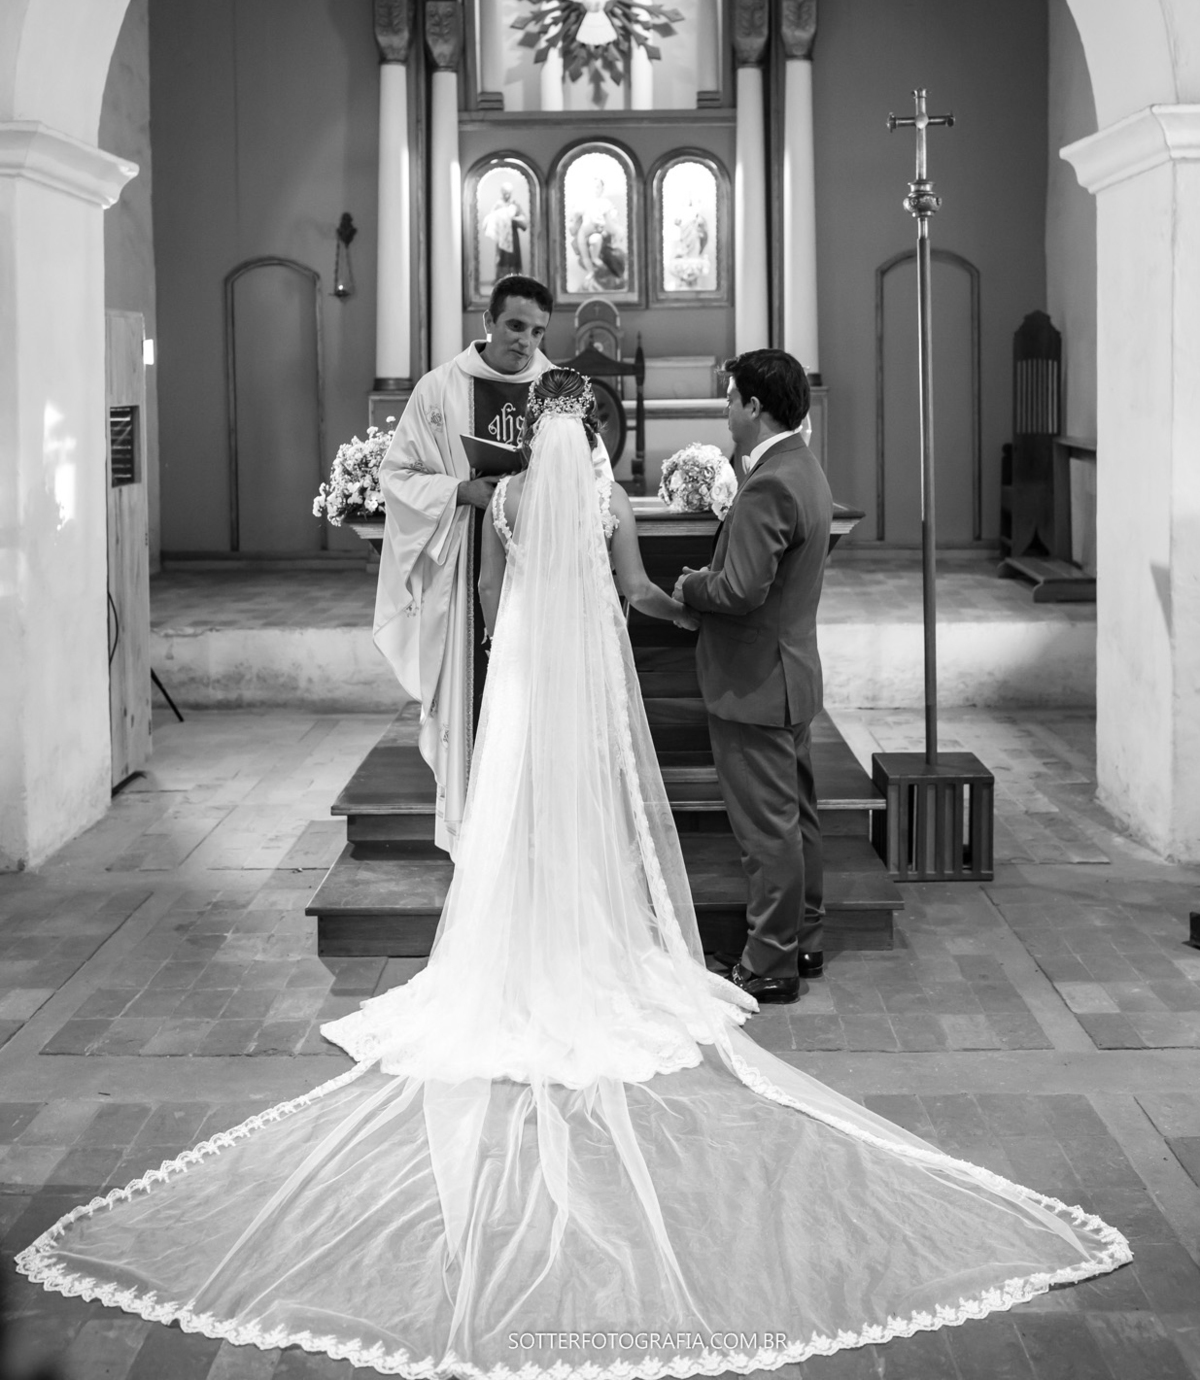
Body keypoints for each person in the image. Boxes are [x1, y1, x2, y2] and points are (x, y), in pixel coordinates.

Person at [17, 368, 1130, 1374]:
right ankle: (667, 937)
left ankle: (531, 934)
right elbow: (637, 588)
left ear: (529, 433)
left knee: (525, 816)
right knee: (666, 813)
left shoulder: (503, 502)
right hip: (599, 683)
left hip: (521, 693)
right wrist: (643, 598)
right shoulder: (604, 494)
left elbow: (489, 598)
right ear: (593, 437)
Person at [373, 273, 587, 853]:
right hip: (466, 564)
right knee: (478, 691)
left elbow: (595, 477)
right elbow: (395, 476)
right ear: (488, 323)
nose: (526, 341)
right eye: (516, 326)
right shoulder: (439, 390)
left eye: (538, 330)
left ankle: (538, 828)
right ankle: (479, 835)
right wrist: (460, 492)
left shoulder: (559, 390)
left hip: (541, 571)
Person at [675, 350, 831, 1003]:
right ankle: (804, 938)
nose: (725, 410)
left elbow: (740, 588)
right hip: (788, 672)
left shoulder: (769, 482)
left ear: (755, 407)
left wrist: (691, 585)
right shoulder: (803, 467)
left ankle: (768, 963)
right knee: (796, 819)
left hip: (755, 682)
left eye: (731, 398)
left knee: (767, 829)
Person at [480, 179, 527, 280]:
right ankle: (501, 278)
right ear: (502, 192)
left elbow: (524, 222)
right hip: (502, 237)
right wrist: (501, 217)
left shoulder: (515, 205)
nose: (507, 195)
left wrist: (512, 219)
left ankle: (515, 278)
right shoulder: (498, 205)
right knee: (502, 258)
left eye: (509, 193)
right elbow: (489, 221)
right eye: (505, 192)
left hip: (513, 237)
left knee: (514, 258)